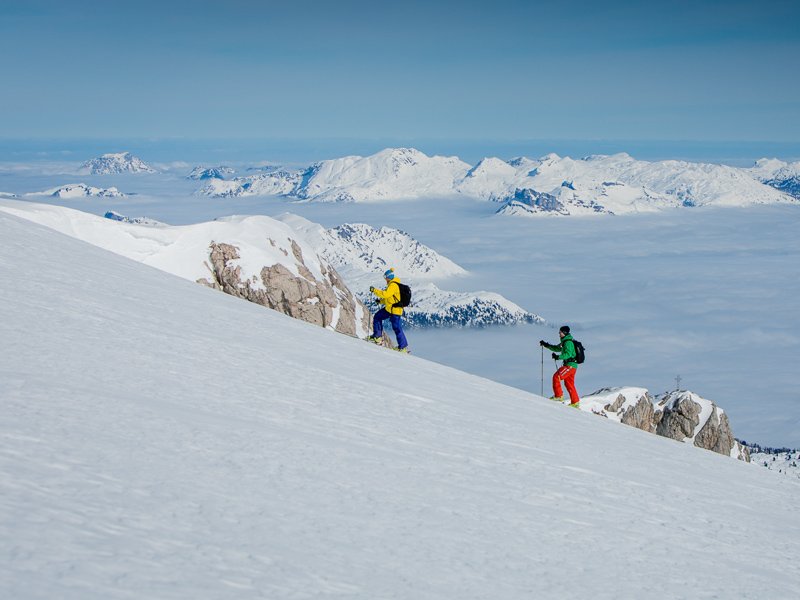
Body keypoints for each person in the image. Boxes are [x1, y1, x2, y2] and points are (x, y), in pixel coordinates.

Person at [367, 268, 409, 353]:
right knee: (377, 317)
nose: (385, 279)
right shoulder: (391, 285)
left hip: (395, 311)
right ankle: (377, 336)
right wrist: (380, 301)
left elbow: (385, 294)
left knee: (397, 328)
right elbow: (390, 299)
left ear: (389, 277)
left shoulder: (393, 285)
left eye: (385, 277)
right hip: (390, 309)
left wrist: (374, 290)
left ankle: (403, 347)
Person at [540, 325, 580, 408]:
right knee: (569, 384)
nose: (559, 333)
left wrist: (558, 357)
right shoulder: (564, 341)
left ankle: (558, 396)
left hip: (570, 365)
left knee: (557, 376)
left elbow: (568, 354)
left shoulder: (568, 342)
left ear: (564, 333)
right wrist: (546, 345)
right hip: (572, 366)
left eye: (560, 332)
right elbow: (556, 348)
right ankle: (575, 402)